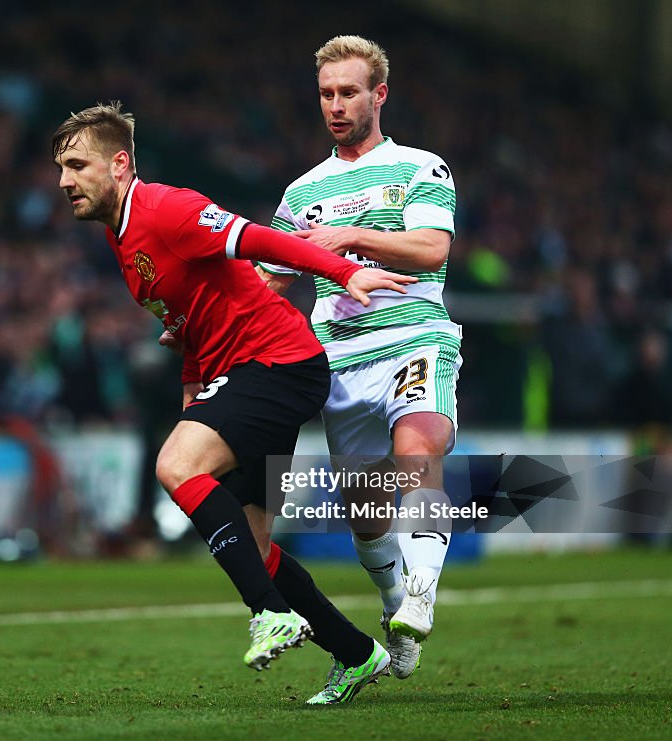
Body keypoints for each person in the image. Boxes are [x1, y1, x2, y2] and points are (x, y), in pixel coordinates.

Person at [52, 102, 418, 704]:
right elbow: (189, 322)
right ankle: (357, 654)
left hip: (279, 364)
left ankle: (268, 614)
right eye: (60, 168)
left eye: (76, 165)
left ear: (119, 165)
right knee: (255, 548)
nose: (64, 180)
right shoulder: (122, 240)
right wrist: (192, 393)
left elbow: (259, 239)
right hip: (247, 373)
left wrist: (341, 270)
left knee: (176, 467)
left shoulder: (165, 208)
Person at [257, 35, 462, 680]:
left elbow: (432, 250)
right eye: (326, 94)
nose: (336, 105)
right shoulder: (301, 194)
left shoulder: (421, 169)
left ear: (379, 95)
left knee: (419, 450)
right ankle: (395, 600)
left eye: (349, 92)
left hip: (414, 339)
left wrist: (347, 237)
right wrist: (197, 317)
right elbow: (270, 283)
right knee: (367, 513)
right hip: (340, 361)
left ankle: (423, 590)